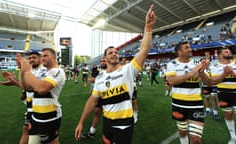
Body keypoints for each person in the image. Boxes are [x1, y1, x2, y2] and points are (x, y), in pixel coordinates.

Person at [75, 4, 156, 144]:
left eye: (116, 52)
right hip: (107, 123)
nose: (114, 54)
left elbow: (144, 50)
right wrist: (81, 122)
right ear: (105, 59)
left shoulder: (128, 69)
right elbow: (92, 101)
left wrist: (148, 27)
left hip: (124, 124)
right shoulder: (100, 78)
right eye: (110, 52)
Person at [165, 41, 212, 144]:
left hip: (196, 104)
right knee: (182, 132)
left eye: (190, 47)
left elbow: (209, 83)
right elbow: (172, 81)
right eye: (187, 48)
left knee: (196, 140)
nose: (190, 49)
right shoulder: (172, 64)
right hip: (178, 103)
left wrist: (201, 72)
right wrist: (192, 73)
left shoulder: (197, 63)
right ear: (179, 52)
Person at [19, 48, 66, 144]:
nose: (42, 58)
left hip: (49, 116)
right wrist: (22, 70)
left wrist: (27, 72)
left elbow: (42, 89)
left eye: (45, 56)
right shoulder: (42, 72)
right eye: (42, 56)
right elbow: (26, 87)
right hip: (35, 115)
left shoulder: (57, 71)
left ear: (53, 57)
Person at [210, 47, 236, 144]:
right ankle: (233, 137)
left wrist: (233, 73)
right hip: (224, 94)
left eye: (229, 51)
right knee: (228, 115)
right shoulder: (215, 66)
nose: (229, 52)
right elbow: (214, 81)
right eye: (226, 51)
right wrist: (224, 73)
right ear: (220, 55)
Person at [82, 57, 107, 139]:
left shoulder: (112, 70)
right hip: (99, 95)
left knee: (109, 114)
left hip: (110, 95)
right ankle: (92, 132)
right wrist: (93, 80)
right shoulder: (97, 70)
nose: (102, 62)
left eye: (104, 61)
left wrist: (95, 80)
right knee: (97, 112)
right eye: (101, 61)